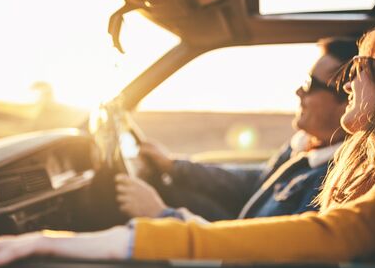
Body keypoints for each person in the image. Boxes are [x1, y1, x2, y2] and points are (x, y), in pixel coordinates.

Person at [0, 24, 375, 268]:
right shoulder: (374, 163)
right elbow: (254, 185)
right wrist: (174, 170)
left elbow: (336, 236)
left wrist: (116, 236)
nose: (350, 77)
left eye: (366, 64)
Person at [115, 37, 358, 222]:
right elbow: (253, 183)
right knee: (175, 189)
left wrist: (162, 215)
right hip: (237, 232)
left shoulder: (332, 181)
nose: (299, 92)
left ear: (346, 99)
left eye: (311, 84)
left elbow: (264, 257)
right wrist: (173, 166)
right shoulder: (305, 145)